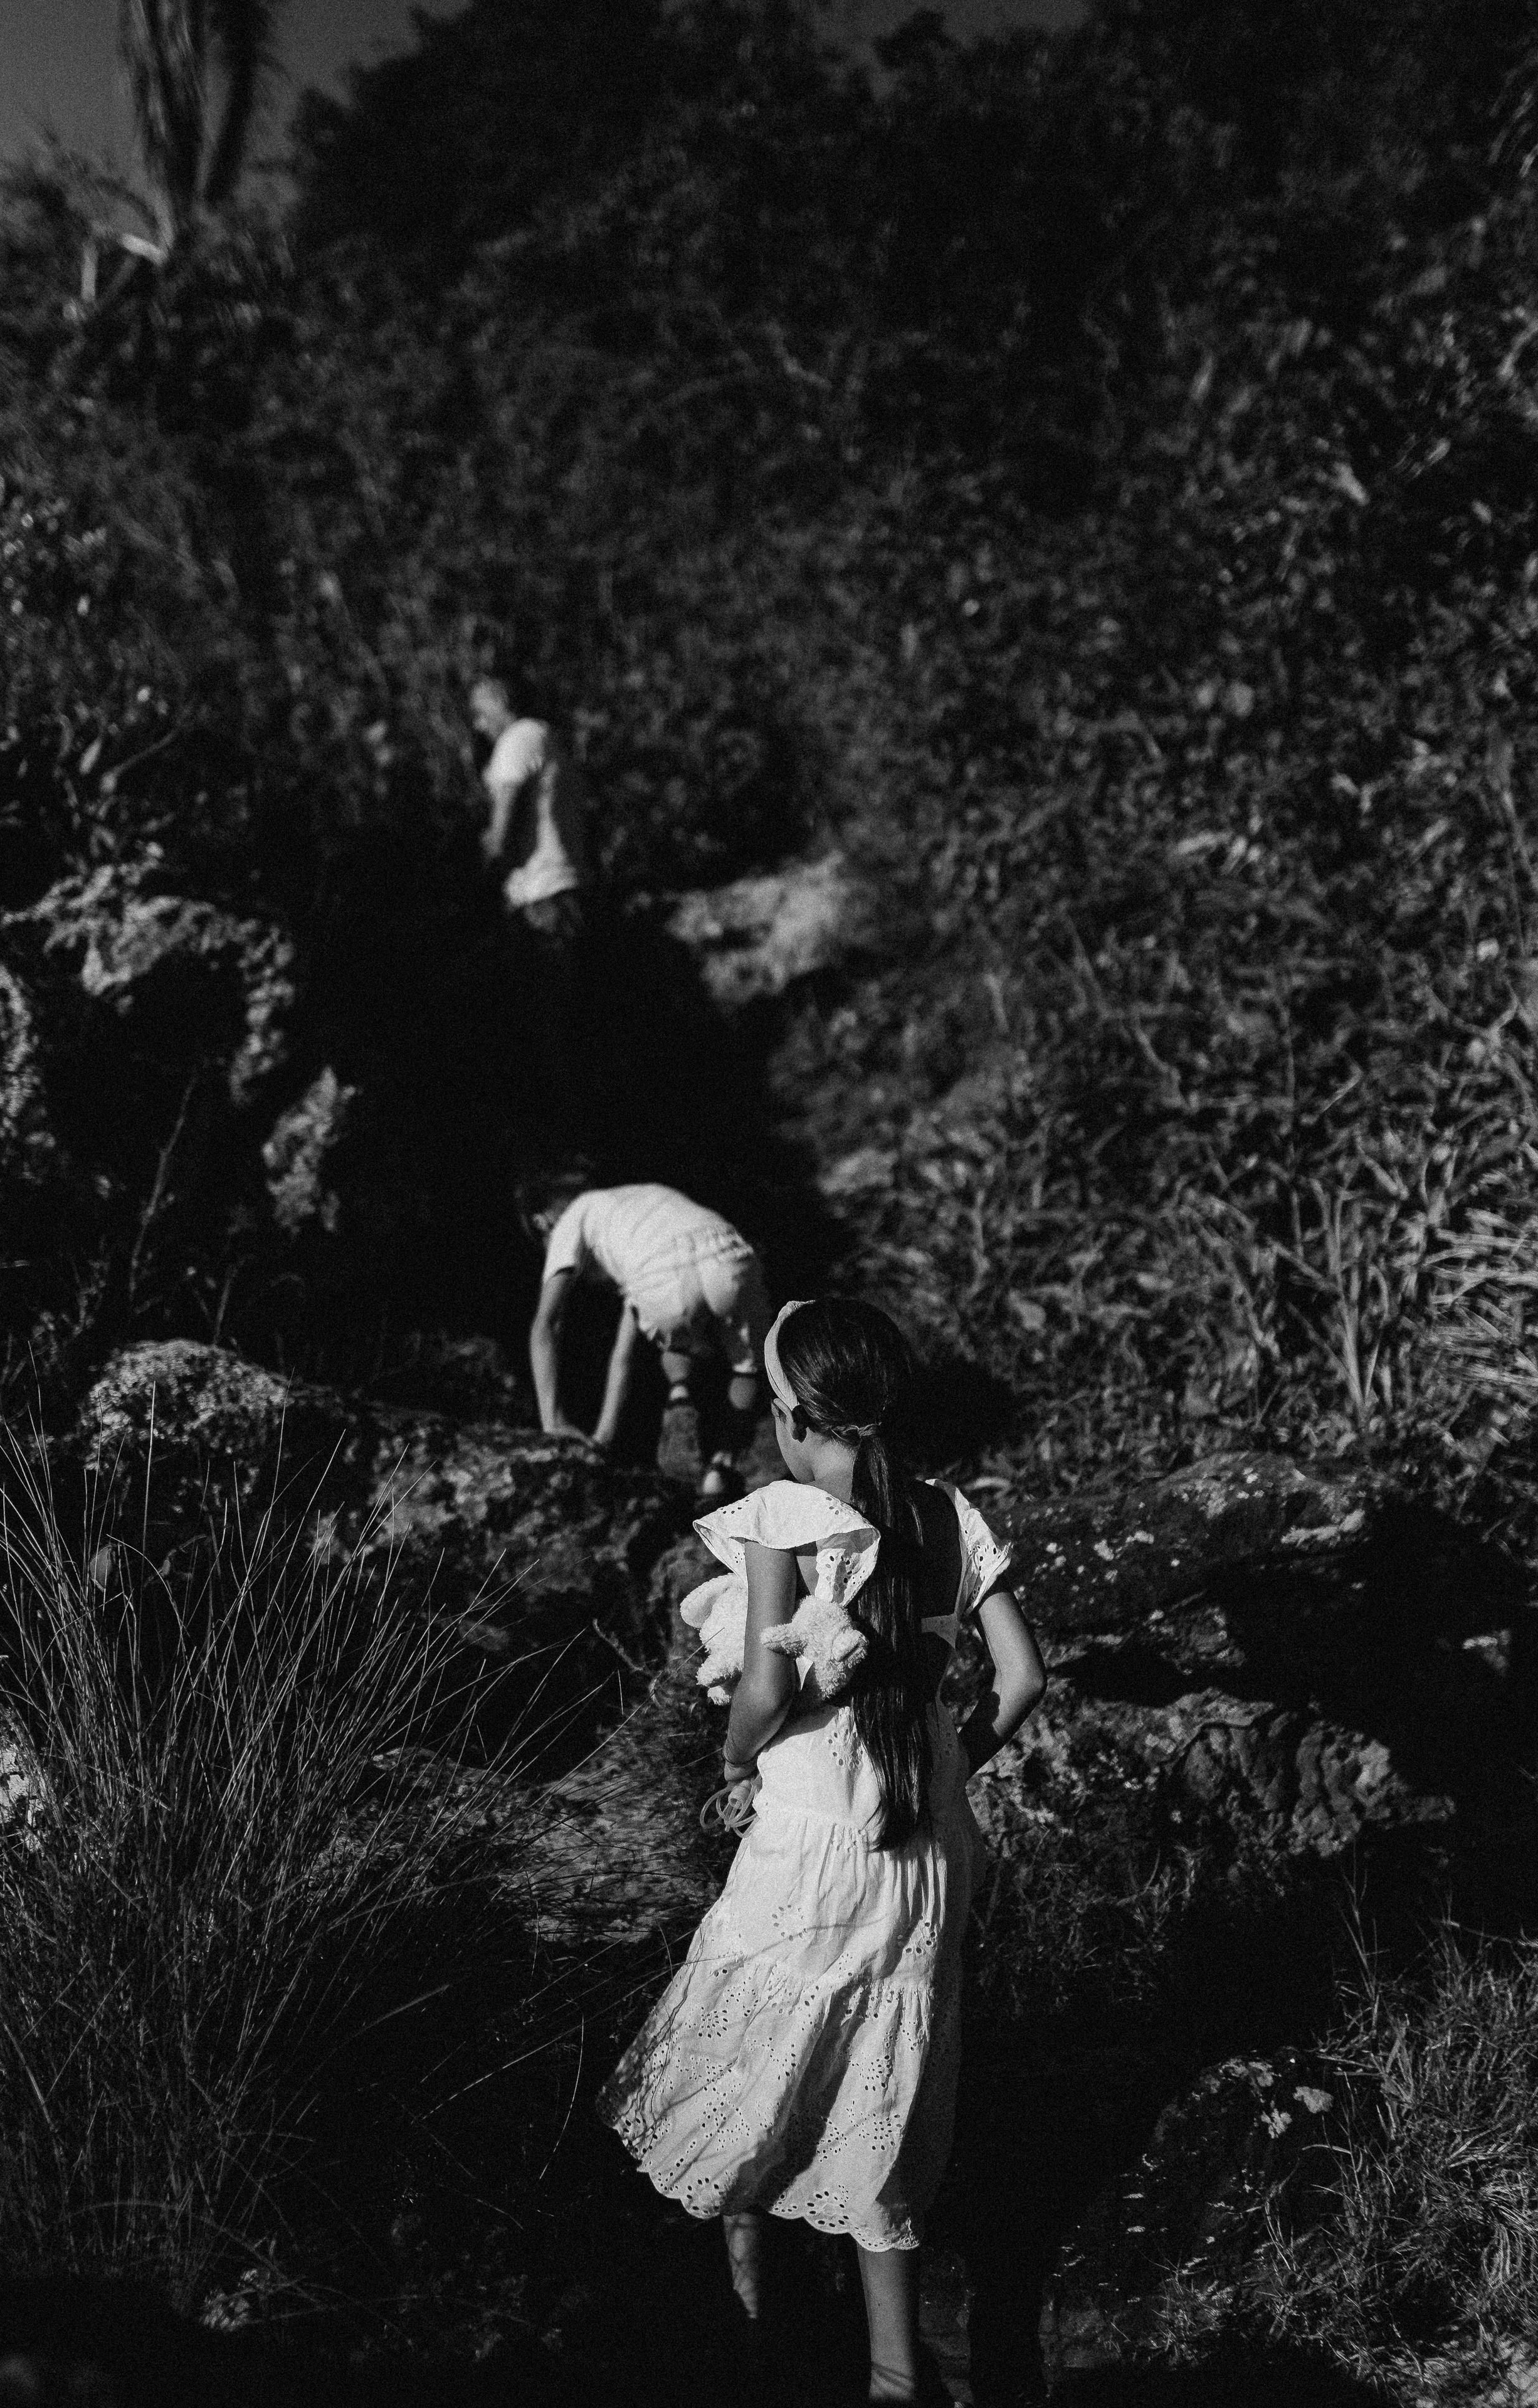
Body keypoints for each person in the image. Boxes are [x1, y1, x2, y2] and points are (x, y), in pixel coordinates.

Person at [597, 1297, 1047, 2405]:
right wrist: (950, 1765)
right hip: (922, 1852)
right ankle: (900, 2377)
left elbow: (762, 1683)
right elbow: (1024, 1679)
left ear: (794, 1417)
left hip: (810, 1842)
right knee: (878, 2090)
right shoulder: (948, 1515)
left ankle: (755, 2327)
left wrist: (738, 1754)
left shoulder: (782, 1515)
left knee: (751, 2063)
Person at [519, 1174, 771, 1500]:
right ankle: (720, 1468)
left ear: (542, 1222)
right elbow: (622, 1354)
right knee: (748, 1367)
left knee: (677, 1332)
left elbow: (546, 1324)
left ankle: (680, 1395)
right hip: (729, 1253)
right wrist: (603, 1438)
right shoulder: (643, 1204)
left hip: (659, 1278)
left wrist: (554, 1425)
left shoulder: (573, 1217)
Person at [468, 671, 591, 1102]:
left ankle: (566, 1136)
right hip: (562, 889)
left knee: (544, 1022)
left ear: (501, 702)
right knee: (561, 1017)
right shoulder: (548, 737)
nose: (479, 725)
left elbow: (500, 835)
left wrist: (475, 880)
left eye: (481, 713)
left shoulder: (518, 741)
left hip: (541, 895)